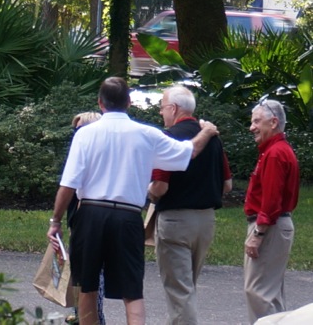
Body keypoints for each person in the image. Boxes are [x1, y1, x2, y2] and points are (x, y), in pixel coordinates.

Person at [47, 77, 220, 325]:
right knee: (132, 290)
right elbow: (188, 152)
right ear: (129, 102)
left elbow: (68, 184)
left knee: (87, 285)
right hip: (127, 216)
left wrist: (56, 220)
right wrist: (206, 131)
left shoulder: (85, 134)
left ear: (100, 103)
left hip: (91, 214)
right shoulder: (147, 134)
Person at [148, 86, 233, 325]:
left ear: (173, 109)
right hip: (205, 222)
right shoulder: (213, 138)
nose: (161, 113)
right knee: (187, 288)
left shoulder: (168, 138)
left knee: (180, 292)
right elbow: (227, 185)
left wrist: (147, 192)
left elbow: (159, 187)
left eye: (162, 108)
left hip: (176, 222)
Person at [243, 99, 299, 324]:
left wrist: (258, 235)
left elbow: (271, 201)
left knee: (259, 293)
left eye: (257, 121)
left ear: (273, 122)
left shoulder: (275, 154)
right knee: (269, 293)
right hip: (276, 226)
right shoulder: (275, 151)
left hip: (270, 227)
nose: (252, 127)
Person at [65, 112, 104, 325]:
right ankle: (81, 317)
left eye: (80, 130)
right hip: (78, 221)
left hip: (90, 221)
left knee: (91, 278)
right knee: (79, 276)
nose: (76, 135)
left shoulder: (94, 157)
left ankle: (92, 318)